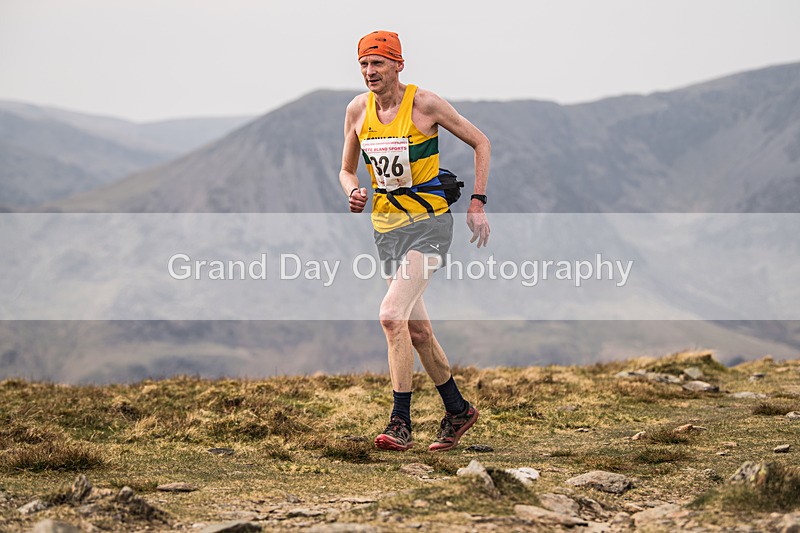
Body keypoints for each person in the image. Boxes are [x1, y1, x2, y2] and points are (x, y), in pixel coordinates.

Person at [339, 30, 491, 452]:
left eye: (378, 64)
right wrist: (351, 190)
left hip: (429, 225)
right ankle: (458, 409)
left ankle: (400, 422)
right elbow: (346, 169)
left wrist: (477, 202)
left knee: (391, 316)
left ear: (398, 65)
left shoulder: (424, 104)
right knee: (418, 330)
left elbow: (481, 141)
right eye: (364, 65)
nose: (370, 72)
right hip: (386, 230)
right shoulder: (357, 110)